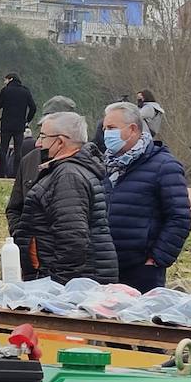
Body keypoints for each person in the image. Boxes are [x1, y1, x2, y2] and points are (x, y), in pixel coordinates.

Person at [13, 111, 118, 284]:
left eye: (43, 137)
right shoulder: (68, 170)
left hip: (71, 287)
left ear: (60, 142)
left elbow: (72, 240)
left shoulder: (68, 176)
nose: (38, 143)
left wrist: (56, 287)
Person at [102, 100, 191, 292]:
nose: (106, 134)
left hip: (141, 272)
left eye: (111, 128)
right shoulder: (103, 165)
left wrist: (157, 259)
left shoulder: (165, 166)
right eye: (104, 128)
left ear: (133, 129)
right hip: (104, 267)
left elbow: (180, 218)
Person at [5, 96, 77, 243]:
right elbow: (14, 208)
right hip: (33, 254)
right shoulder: (29, 161)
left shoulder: (85, 163)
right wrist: (22, 237)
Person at [0, 72, 36, 178]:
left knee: (3, 149)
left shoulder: (5, 91)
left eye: (6, 80)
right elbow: (33, 107)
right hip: (19, 125)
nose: (5, 82)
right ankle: (16, 174)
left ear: (11, 79)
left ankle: (2, 174)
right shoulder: (25, 91)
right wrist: (27, 120)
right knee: (18, 150)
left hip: (6, 125)